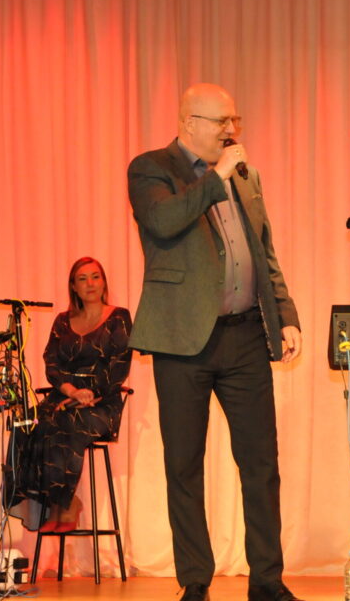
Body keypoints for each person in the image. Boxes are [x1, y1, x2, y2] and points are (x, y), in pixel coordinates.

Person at [127, 83, 303, 601]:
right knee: (184, 465)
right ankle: (196, 581)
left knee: (261, 463)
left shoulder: (246, 176)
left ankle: (267, 580)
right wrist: (215, 177)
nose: (231, 130)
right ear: (189, 123)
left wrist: (285, 315)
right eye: (222, 121)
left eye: (234, 121)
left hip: (245, 335)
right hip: (182, 340)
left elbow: (263, 251)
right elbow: (163, 222)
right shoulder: (152, 168)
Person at [6, 257, 133, 532]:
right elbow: (51, 363)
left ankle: (62, 505)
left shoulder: (119, 317)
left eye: (95, 277)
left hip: (102, 403)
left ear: (104, 282)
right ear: (73, 286)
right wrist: (71, 391)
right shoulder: (63, 321)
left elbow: (120, 364)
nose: (90, 284)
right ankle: (54, 502)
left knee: (65, 422)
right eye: (82, 279)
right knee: (27, 423)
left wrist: (90, 393)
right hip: (64, 396)